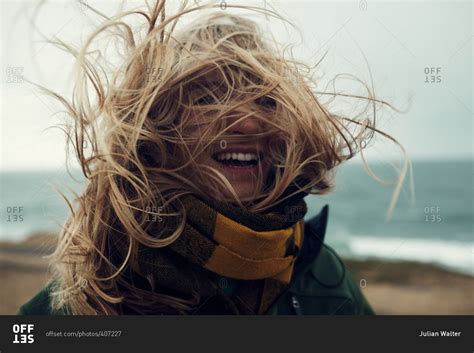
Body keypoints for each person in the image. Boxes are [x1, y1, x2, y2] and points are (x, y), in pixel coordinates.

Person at [17, 0, 399, 315]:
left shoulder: (322, 277)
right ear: (157, 128)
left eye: (266, 101)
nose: (249, 124)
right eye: (209, 99)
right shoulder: (93, 293)